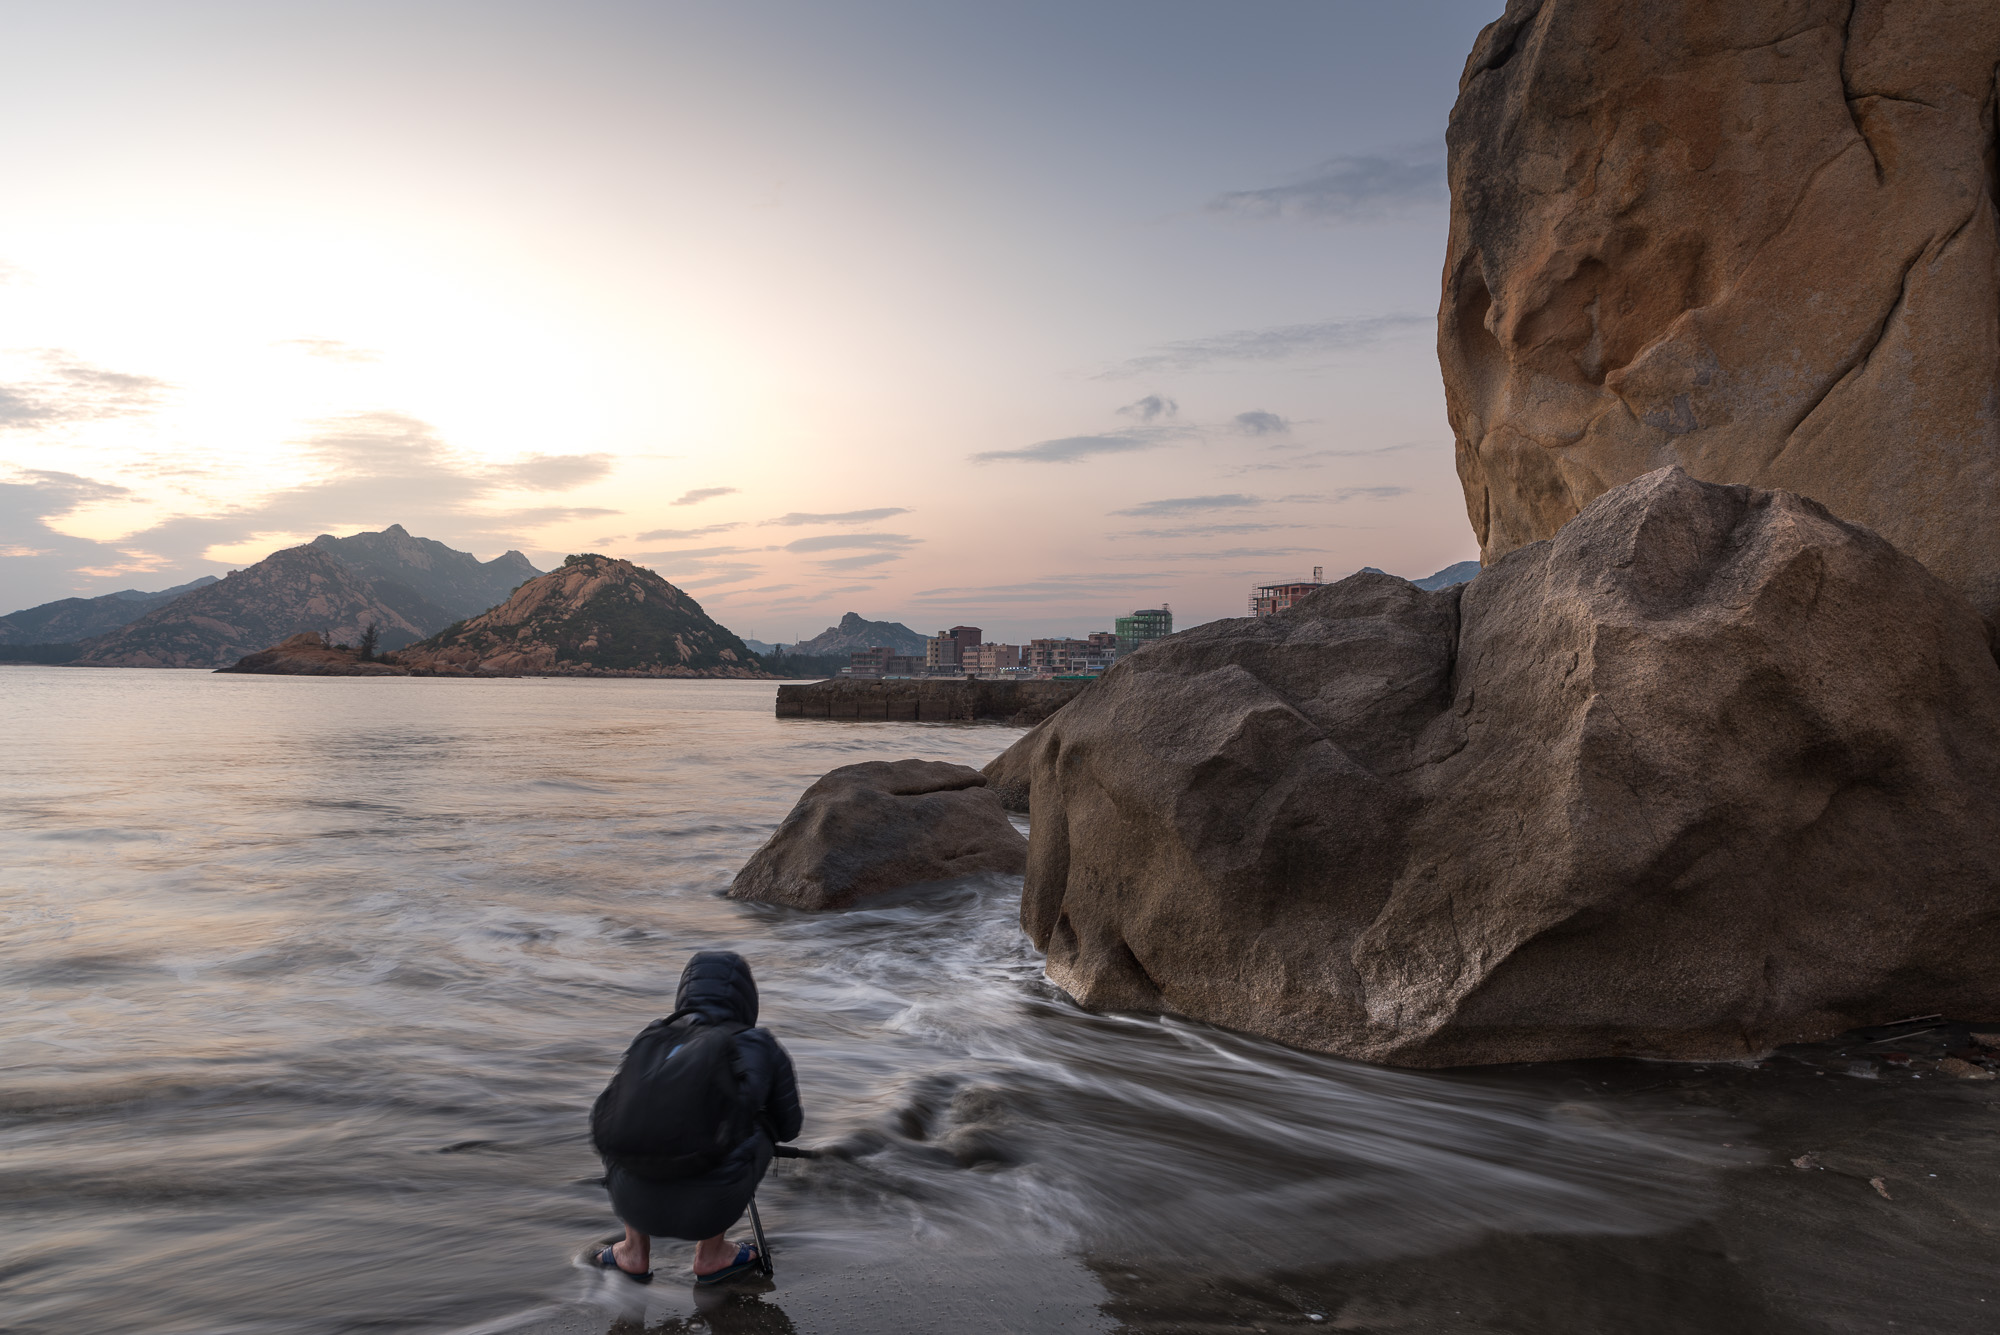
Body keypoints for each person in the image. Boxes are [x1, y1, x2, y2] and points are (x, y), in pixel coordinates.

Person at [590, 950, 803, 1285]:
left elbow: (603, 1114)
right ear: (748, 997)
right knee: (762, 1127)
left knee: (630, 1110)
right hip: (709, 1209)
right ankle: (712, 1254)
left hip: (629, 1201)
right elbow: (789, 1128)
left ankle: (633, 1251)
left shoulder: (652, 1037)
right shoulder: (762, 1045)